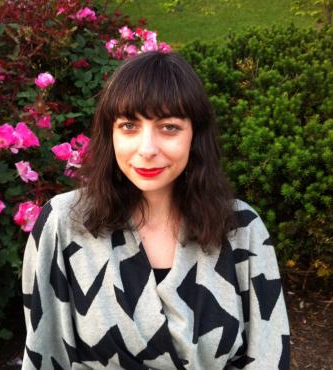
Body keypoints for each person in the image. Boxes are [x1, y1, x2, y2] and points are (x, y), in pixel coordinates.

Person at [22, 51, 290, 370]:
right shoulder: (64, 223)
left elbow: (269, 354)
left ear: (196, 135)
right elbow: (44, 352)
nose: (147, 149)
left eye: (169, 127)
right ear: (111, 133)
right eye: (129, 126)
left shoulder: (241, 228)